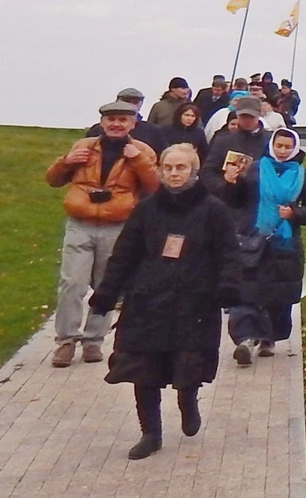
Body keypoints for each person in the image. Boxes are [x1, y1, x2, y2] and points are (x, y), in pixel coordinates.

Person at [87, 143, 243, 459]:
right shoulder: (146, 210)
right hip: (148, 300)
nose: (174, 173)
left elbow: (229, 253)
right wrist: (106, 294)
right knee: (142, 368)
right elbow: (125, 254)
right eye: (168, 167)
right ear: (160, 170)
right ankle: (151, 432)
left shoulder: (214, 211)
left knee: (188, 363)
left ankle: (188, 400)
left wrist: (228, 287)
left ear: (194, 171)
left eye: (181, 167)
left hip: (194, 301)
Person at [43, 102, 161, 367]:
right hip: (80, 222)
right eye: (110, 119)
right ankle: (65, 341)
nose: (116, 124)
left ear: (133, 123)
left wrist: (138, 160)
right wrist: (66, 162)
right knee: (72, 283)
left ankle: (93, 341)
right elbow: (52, 179)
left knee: (107, 284)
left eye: (122, 119)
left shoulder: (142, 151)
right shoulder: (83, 146)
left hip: (117, 225)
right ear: (102, 122)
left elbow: (155, 187)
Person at [211, 125, 306, 361]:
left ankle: (268, 338)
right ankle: (245, 339)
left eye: (287, 146)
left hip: (284, 245)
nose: (283, 151)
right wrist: (231, 183)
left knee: (278, 296)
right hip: (251, 240)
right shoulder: (253, 170)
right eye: (279, 146)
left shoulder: (304, 176)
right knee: (245, 292)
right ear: (271, 146)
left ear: (295, 148)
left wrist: (295, 214)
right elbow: (235, 202)